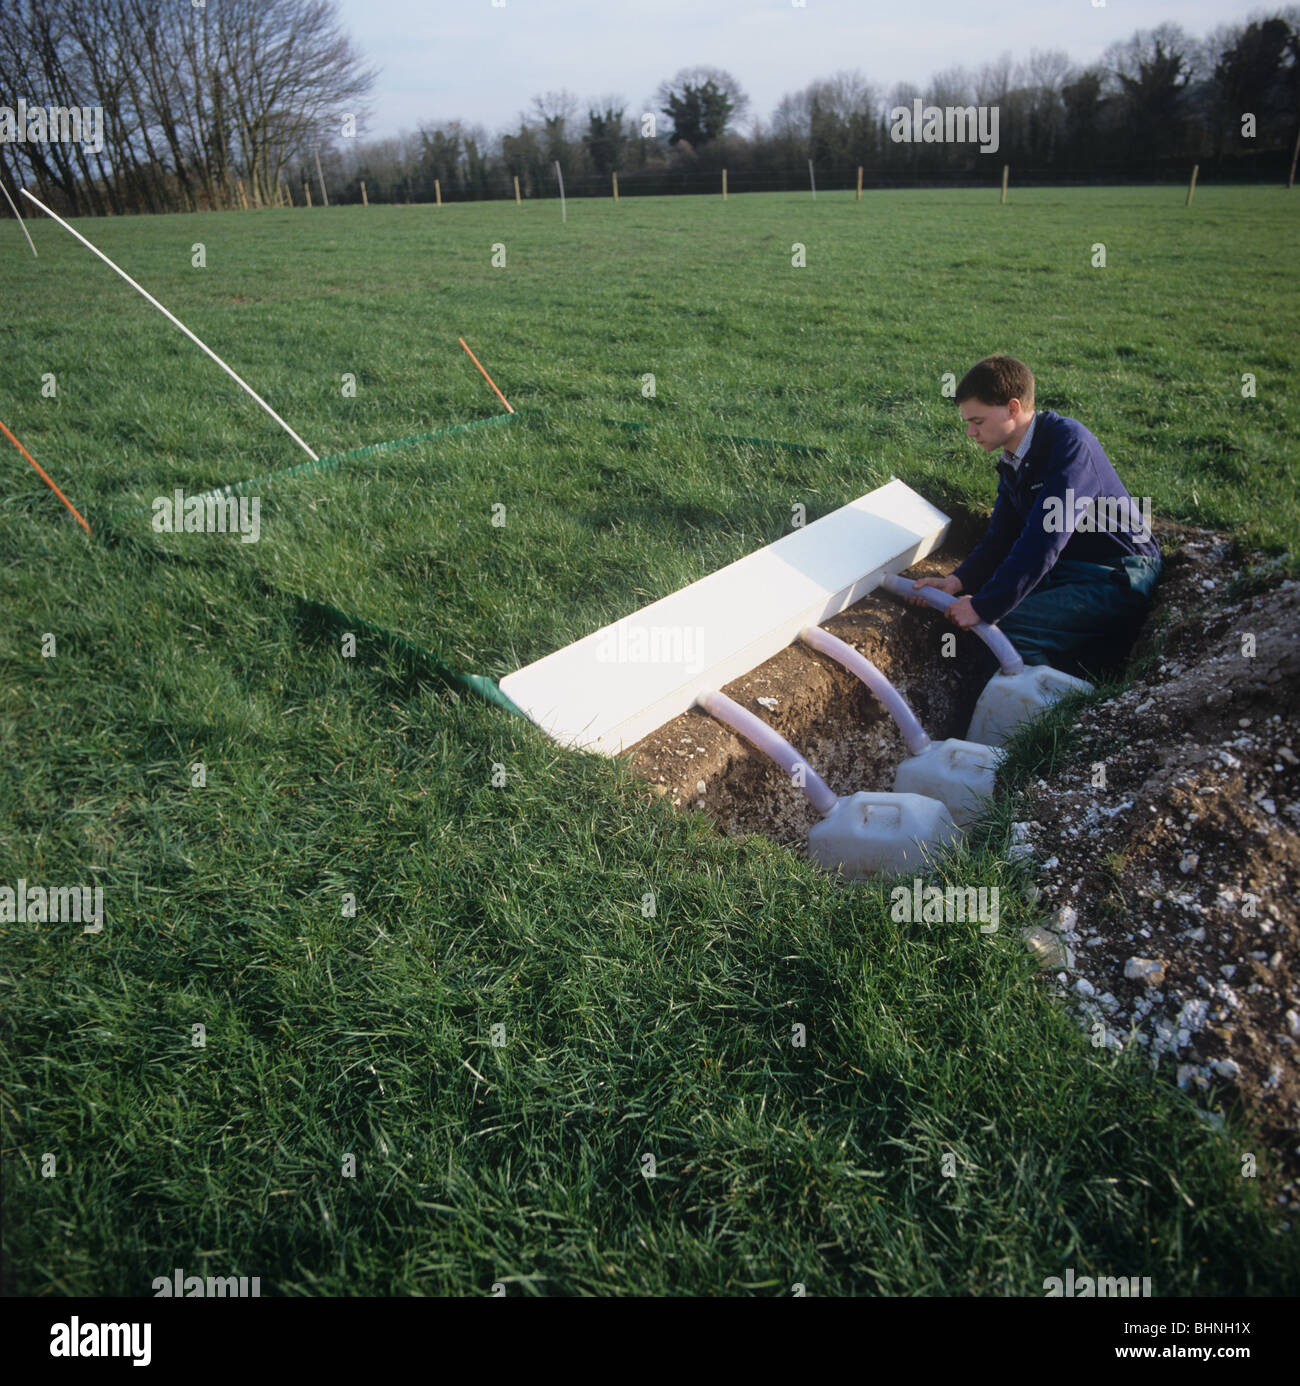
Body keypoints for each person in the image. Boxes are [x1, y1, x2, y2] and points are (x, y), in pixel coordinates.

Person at [910, 355, 1161, 680]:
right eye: (967, 423)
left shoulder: (1069, 446)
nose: (971, 432)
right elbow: (1002, 537)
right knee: (996, 608)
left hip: (1119, 575)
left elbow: (1043, 541)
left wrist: (984, 607)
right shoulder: (1014, 458)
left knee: (1007, 627)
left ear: (1013, 408)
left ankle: (1060, 712)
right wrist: (957, 581)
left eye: (978, 421)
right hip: (1073, 569)